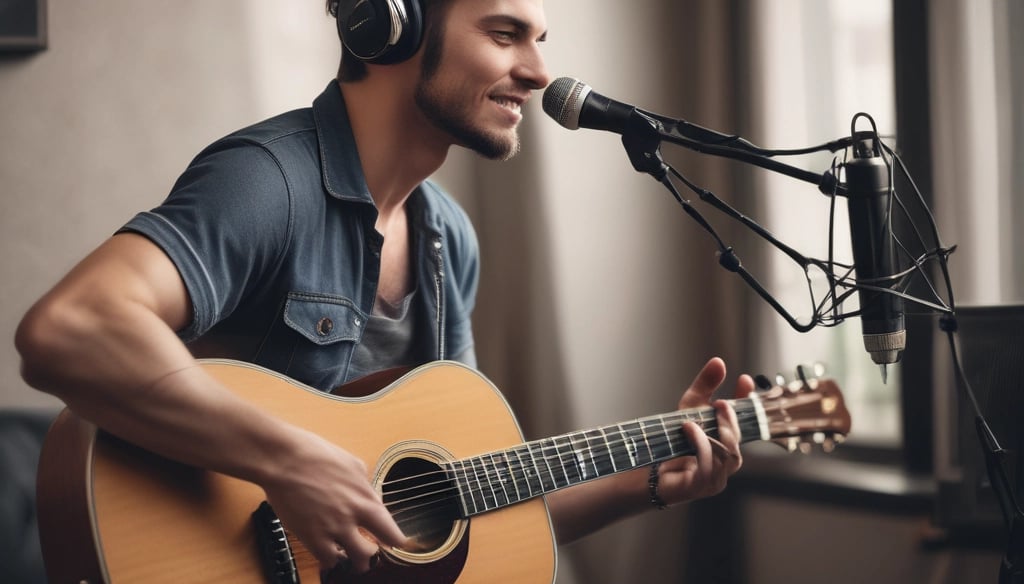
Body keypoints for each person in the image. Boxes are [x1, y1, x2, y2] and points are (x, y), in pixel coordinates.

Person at [15, 0, 753, 577]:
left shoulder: (448, 238)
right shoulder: (269, 182)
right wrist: (287, 460)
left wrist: (647, 481)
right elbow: (67, 329)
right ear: (391, 27)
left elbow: (464, 510)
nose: (538, 73)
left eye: (539, 40)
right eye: (505, 35)